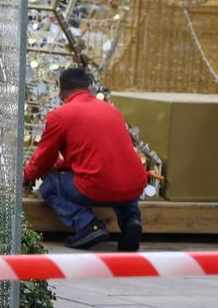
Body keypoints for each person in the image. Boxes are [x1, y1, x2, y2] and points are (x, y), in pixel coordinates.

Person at [22, 67, 148, 251]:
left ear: (60, 93)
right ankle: (131, 220)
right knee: (122, 182)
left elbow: (43, 160)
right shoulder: (111, 110)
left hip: (98, 184)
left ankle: (89, 225)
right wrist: (60, 165)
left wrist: (25, 177)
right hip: (135, 184)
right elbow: (98, 155)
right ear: (88, 88)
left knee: (50, 186)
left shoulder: (60, 116)